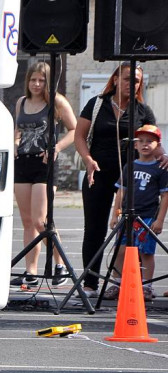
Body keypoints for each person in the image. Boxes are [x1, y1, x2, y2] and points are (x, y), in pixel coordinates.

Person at [74, 63, 157, 297]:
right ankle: (90, 283)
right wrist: (88, 159)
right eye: (128, 78)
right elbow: (79, 136)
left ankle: (123, 281)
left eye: (137, 80)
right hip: (98, 171)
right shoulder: (97, 104)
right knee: (95, 228)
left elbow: (153, 143)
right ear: (116, 79)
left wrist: (163, 159)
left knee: (130, 229)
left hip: (130, 177)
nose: (133, 84)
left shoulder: (142, 111)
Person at [10, 61, 76, 288]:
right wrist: (16, 141)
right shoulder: (21, 102)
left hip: (44, 164)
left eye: (41, 80)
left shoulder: (56, 102)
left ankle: (61, 264)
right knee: (27, 221)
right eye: (33, 79)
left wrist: (56, 147)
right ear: (27, 81)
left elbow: (75, 130)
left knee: (41, 221)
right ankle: (31, 271)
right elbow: (18, 130)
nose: (37, 84)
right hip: (23, 163)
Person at [105, 125, 168, 301]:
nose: (145, 144)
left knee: (146, 252)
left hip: (147, 216)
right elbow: (121, 191)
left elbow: (165, 195)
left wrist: (160, 220)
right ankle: (117, 283)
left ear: (158, 145)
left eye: (150, 141)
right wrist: (114, 214)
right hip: (126, 216)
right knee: (120, 251)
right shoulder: (129, 166)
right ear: (135, 145)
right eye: (141, 141)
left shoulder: (160, 168)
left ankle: (147, 285)